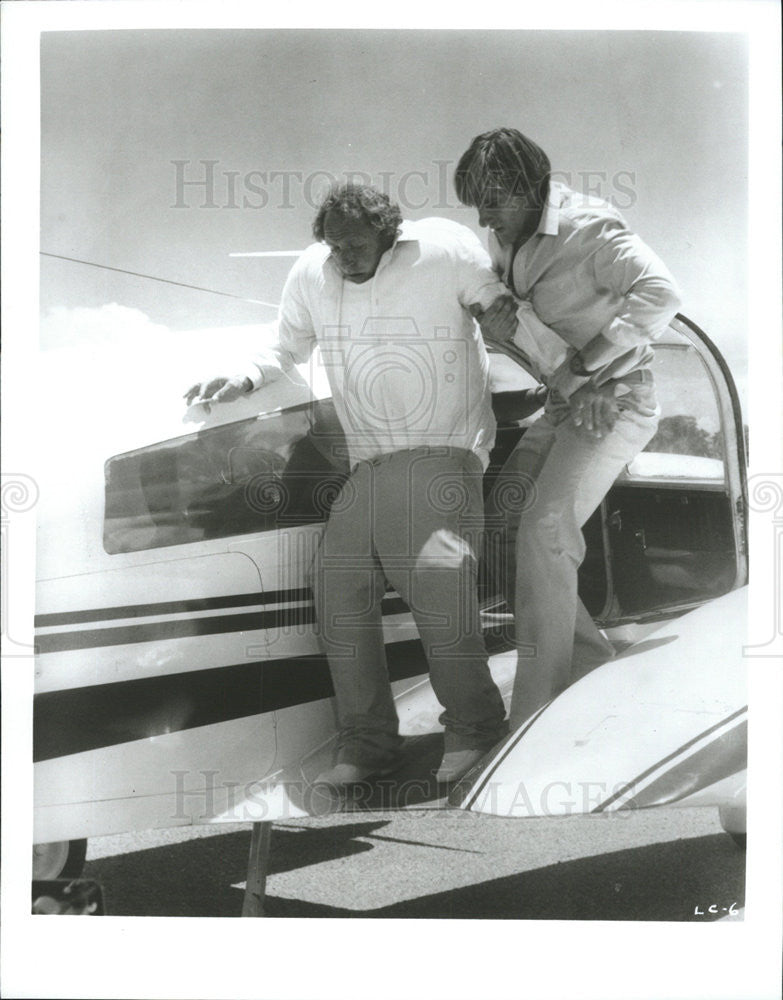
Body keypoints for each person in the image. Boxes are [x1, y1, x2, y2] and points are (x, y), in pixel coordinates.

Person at [185, 183, 509, 786]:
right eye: (332, 244)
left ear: (390, 233)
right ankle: (369, 743)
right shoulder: (312, 271)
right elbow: (282, 347)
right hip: (368, 467)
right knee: (337, 597)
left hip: (441, 457)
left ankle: (477, 727)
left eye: (355, 244)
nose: (343, 256)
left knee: (439, 595)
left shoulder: (443, 250)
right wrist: (242, 375)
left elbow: (498, 307)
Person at [454, 127, 682, 729]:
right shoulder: (505, 237)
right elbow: (524, 325)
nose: (484, 216)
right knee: (505, 523)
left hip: (616, 400)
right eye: (475, 202)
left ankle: (537, 714)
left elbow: (661, 293)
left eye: (494, 200)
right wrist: (499, 312)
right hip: (566, 404)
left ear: (532, 188)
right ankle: (592, 671)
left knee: (546, 527)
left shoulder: (591, 227)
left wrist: (590, 367)